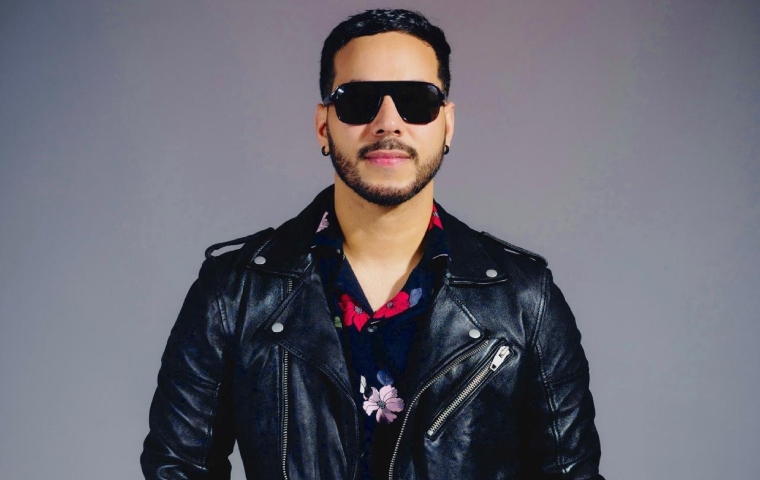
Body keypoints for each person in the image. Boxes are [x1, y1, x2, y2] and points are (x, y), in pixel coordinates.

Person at [141, 8, 604, 480]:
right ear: (323, 125)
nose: (388, 123)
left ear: (447, 125)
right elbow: (177, 468)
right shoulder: (235, 293)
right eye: (359, 101)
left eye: (417, 102)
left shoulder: (524, 301)